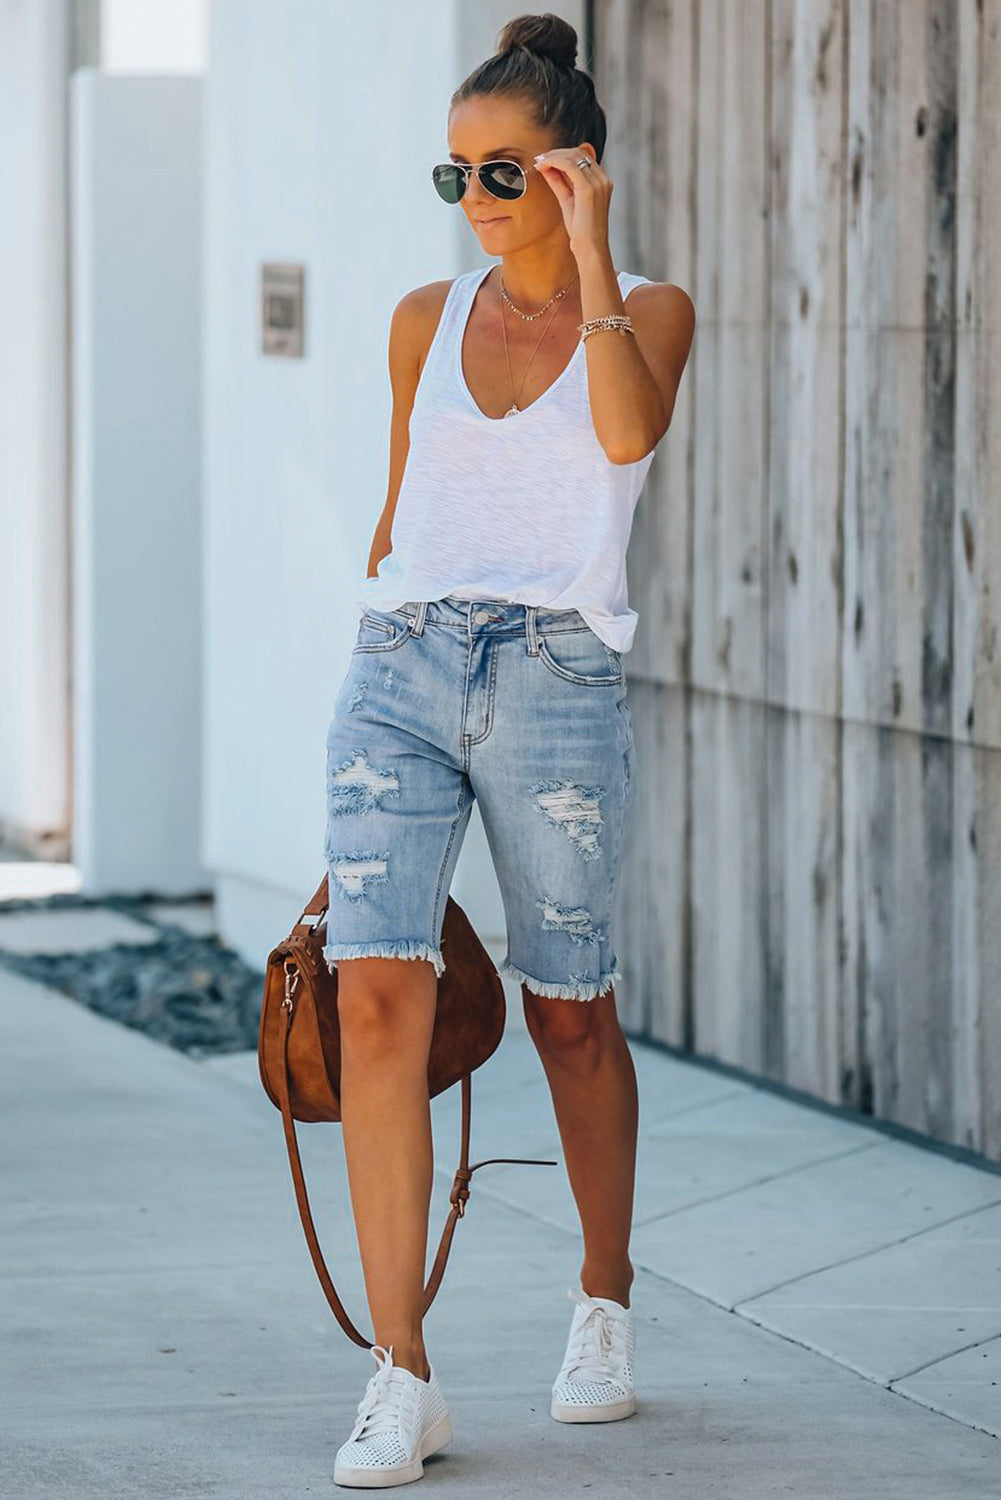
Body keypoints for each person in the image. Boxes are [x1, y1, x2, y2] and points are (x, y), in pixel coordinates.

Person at [325, 12, 695, 1488]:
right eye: (456, 176)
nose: (474, 203)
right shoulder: (424, 316)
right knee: (371, 1007)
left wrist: (590, 252)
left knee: (567, 1014)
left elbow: (620, 439)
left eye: (502, 173)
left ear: (568, 169)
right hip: (399, 668)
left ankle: (600, 1304)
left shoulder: (649, 311)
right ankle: (399, 1369)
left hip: (554, 678)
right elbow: (397, 509)